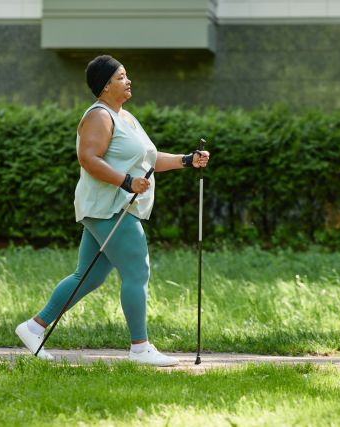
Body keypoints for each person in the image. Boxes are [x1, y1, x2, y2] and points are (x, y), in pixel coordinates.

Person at [15, 55, 209, 366]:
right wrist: (126, 181)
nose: (128, 81)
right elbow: (88, 158)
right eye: (121, 77)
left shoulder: (126, 118)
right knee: (137, 270)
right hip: (109, 207)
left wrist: (187, 160)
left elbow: (150, 158)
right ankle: (140, 347)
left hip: (111, 207)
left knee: (87, 276)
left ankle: (33, 327)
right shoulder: (99, 116)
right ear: (105, 86)